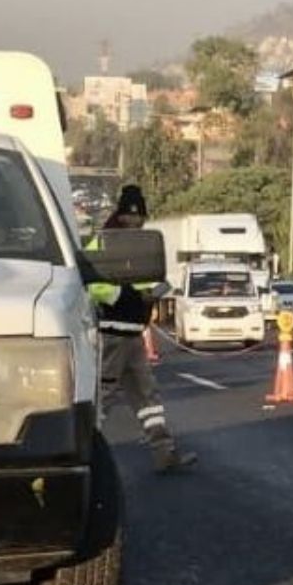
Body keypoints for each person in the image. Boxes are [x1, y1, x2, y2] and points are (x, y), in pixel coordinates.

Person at [87, 185, 197, 473]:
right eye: (130, 215)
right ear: (120, 215)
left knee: (148, 399)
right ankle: (81, 454)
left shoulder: (145, 245)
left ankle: (164, 454)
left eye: (139, 216)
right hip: (112, 334)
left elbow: (152, 278)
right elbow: (92, 280)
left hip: (134, 335)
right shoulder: (102, 241)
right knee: (102, 399)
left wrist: (156, 291)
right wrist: (129, 297)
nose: (135, 221)